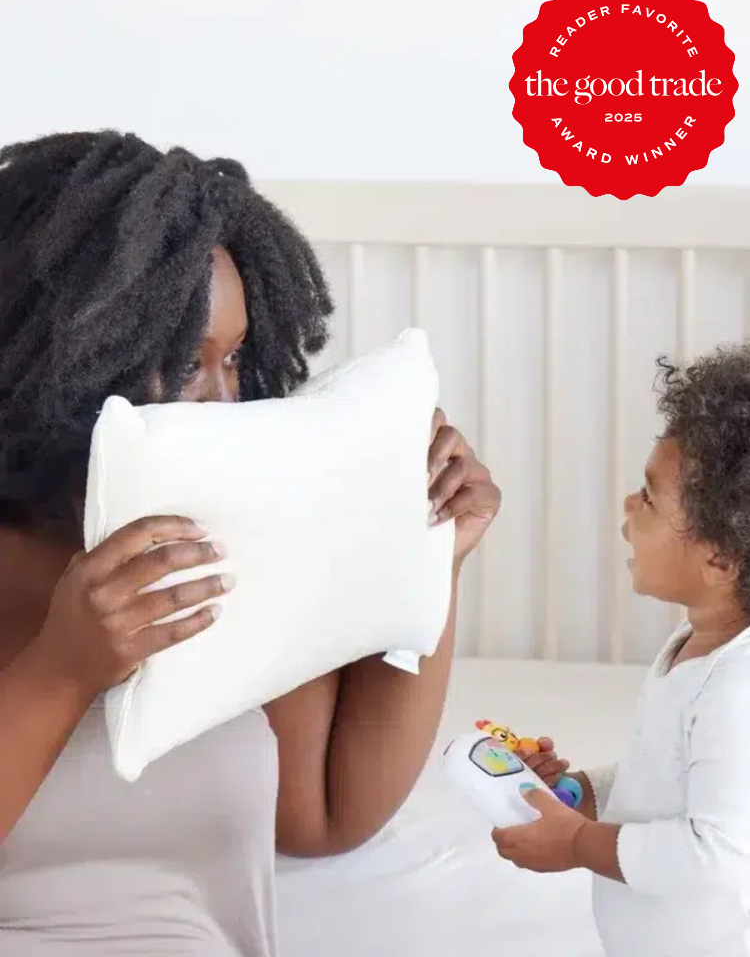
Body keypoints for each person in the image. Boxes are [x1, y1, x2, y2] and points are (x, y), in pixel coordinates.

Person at [0, 130, 501, 955]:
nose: (223, 404)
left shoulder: (233, 539)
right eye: (182, 363)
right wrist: (65, 668)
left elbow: (326, 815)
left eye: (232, 360)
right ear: (65, 352)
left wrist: (432, 561)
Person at [493, 345, 750, 956]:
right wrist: (584, 793)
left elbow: (715, 854)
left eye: (649, 497)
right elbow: (664, 783)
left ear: (719, 557)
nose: (628, 507)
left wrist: (579, 845)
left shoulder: (737, 687)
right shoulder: (693, 645)